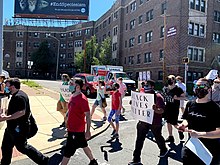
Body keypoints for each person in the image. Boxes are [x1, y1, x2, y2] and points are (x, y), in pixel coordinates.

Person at [0, 78, 49, 165]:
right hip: (11, 128)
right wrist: (4, 113)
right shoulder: (14, 94)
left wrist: (6, 117)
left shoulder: (20, 97)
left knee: (22, 147)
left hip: (19, 128)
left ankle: (44, 160)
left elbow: (21, 112)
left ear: (13, 86)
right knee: (6, 147)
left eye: (7, 86)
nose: (5, 87)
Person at [178, 78, 220, 164]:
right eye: (196, 86)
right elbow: (187, 119)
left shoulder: (215, 108)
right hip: (191, 147)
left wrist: (199, 134)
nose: (198, 88)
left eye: (202, 86)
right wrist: (183, 124)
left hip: (208, 151)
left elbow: (219, 133)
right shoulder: (190, 104)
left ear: (209, 89)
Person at [128, 80, 168, 165]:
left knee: (158, 137)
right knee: (139, 140)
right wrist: (133, 102)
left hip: (155, 122)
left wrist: (156, 110)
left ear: (152, 87)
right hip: (143, 122)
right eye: (144, 85)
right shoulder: (141, 95)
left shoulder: (158, 97)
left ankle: (163, 149)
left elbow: (162, 110)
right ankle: (136, 159)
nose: (145, 87)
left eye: (147, 85)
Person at [60, 78, 98, 165]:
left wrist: (88, 131)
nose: (69, 85)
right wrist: (67, 116)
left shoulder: (82, 99)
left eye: (71, 84)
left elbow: (88, 116)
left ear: (77, 87)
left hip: (77, 130)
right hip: (71, 129)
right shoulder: (72, 96)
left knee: (67, 151)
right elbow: (71, 109)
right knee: (84, 145)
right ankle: (93, 161)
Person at [162, 75, 185, 143]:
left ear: (174, 80)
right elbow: (163, 96)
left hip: (174, 108)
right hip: (167, 107)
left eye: (170, 79)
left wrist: (177, 98)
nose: (169, 80)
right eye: (168, 79)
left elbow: (184, 97)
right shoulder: (165, 88)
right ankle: (170, 136)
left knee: (174, 123)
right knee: (168, 122)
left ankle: (180, 130)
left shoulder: (178, 89)